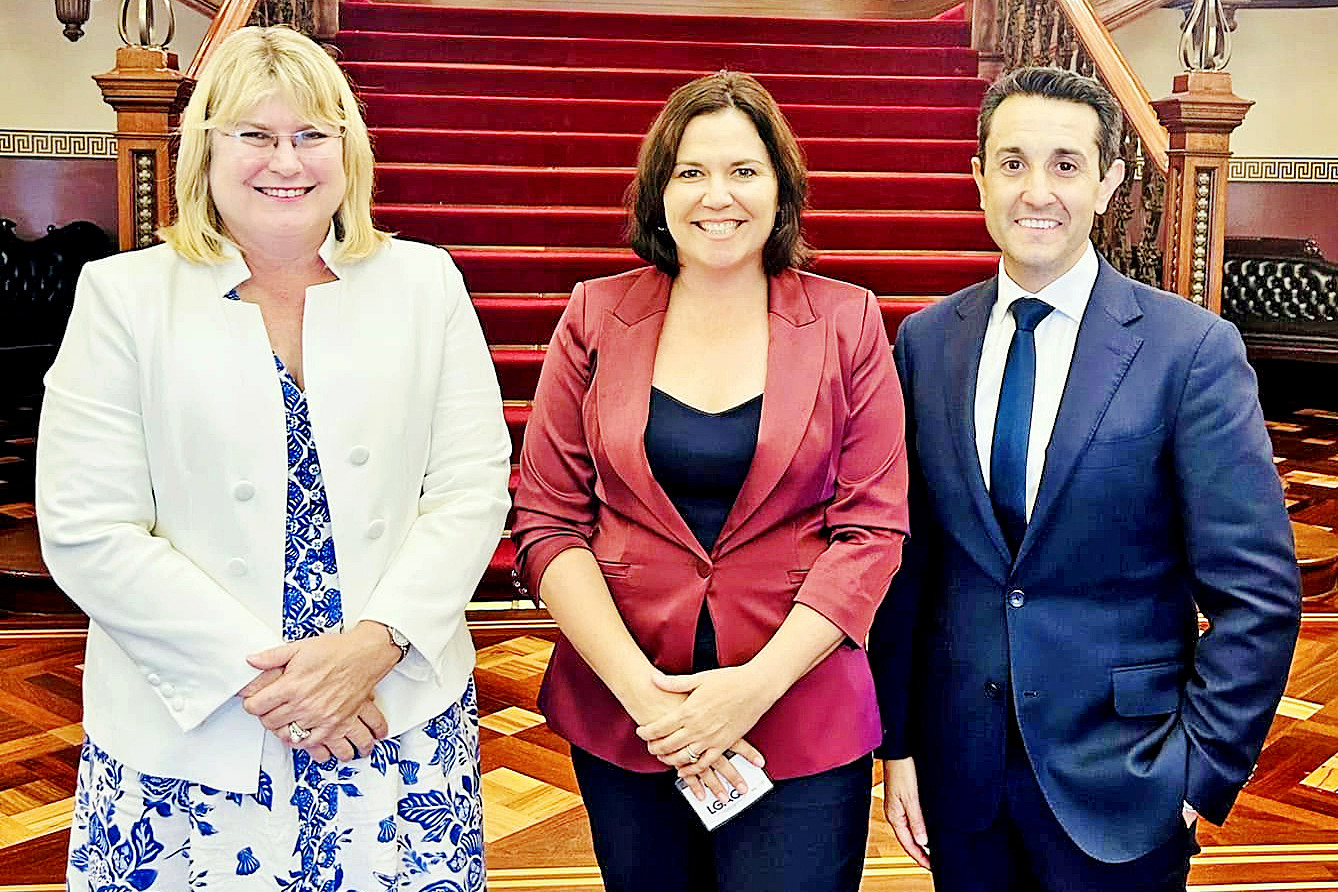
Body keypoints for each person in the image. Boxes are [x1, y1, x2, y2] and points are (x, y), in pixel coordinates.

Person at [36, 26, 511, 892]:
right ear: (206, 150)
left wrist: (375, 646)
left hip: (388, 709)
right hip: (192, 719)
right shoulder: (124, 297)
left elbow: (470, 487)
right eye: (253, 134)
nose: (283, 160)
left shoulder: (424, 282)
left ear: (346, 149)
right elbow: (85, 524)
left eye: (310, 134)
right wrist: (283, 688)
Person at [868, 66, 1301, 892]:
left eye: (1066, 164)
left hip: (1127, 783)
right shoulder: (925, 343)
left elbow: (1259, 593)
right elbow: (907, 570)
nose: (1038, 191)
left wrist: (1198, 773)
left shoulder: (1191, 352)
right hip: (961, 780)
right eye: (1013, 162)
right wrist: (902, 745)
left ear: (1107, 181)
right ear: (979, 178)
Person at [510, 71, 909, 892]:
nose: (715, 195)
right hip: (629, 708)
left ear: (781, 189)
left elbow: (871, 528)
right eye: (690, 172)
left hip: (798, 708)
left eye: (743, 170)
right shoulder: (593, 315)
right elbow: (548, 517)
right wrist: (650, 701)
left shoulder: (847, 319)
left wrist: (750, 692)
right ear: (659, 192)